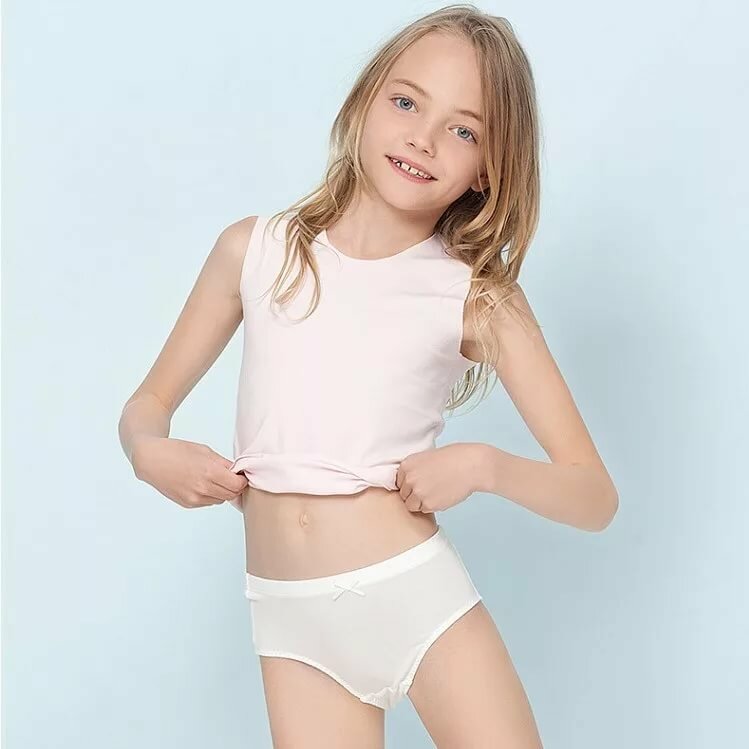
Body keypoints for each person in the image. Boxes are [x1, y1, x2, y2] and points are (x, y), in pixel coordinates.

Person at [118, 5, 618, 747]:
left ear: (488, 167)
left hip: (415, 599)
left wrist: (483, 465)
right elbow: (147, 404)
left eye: (463, 130)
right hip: (289, 617)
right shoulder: (254, 251)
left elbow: (594, 495)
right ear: (364, 101)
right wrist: (148, 452)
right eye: (406, 102)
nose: (422, 137)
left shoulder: (476, 298)